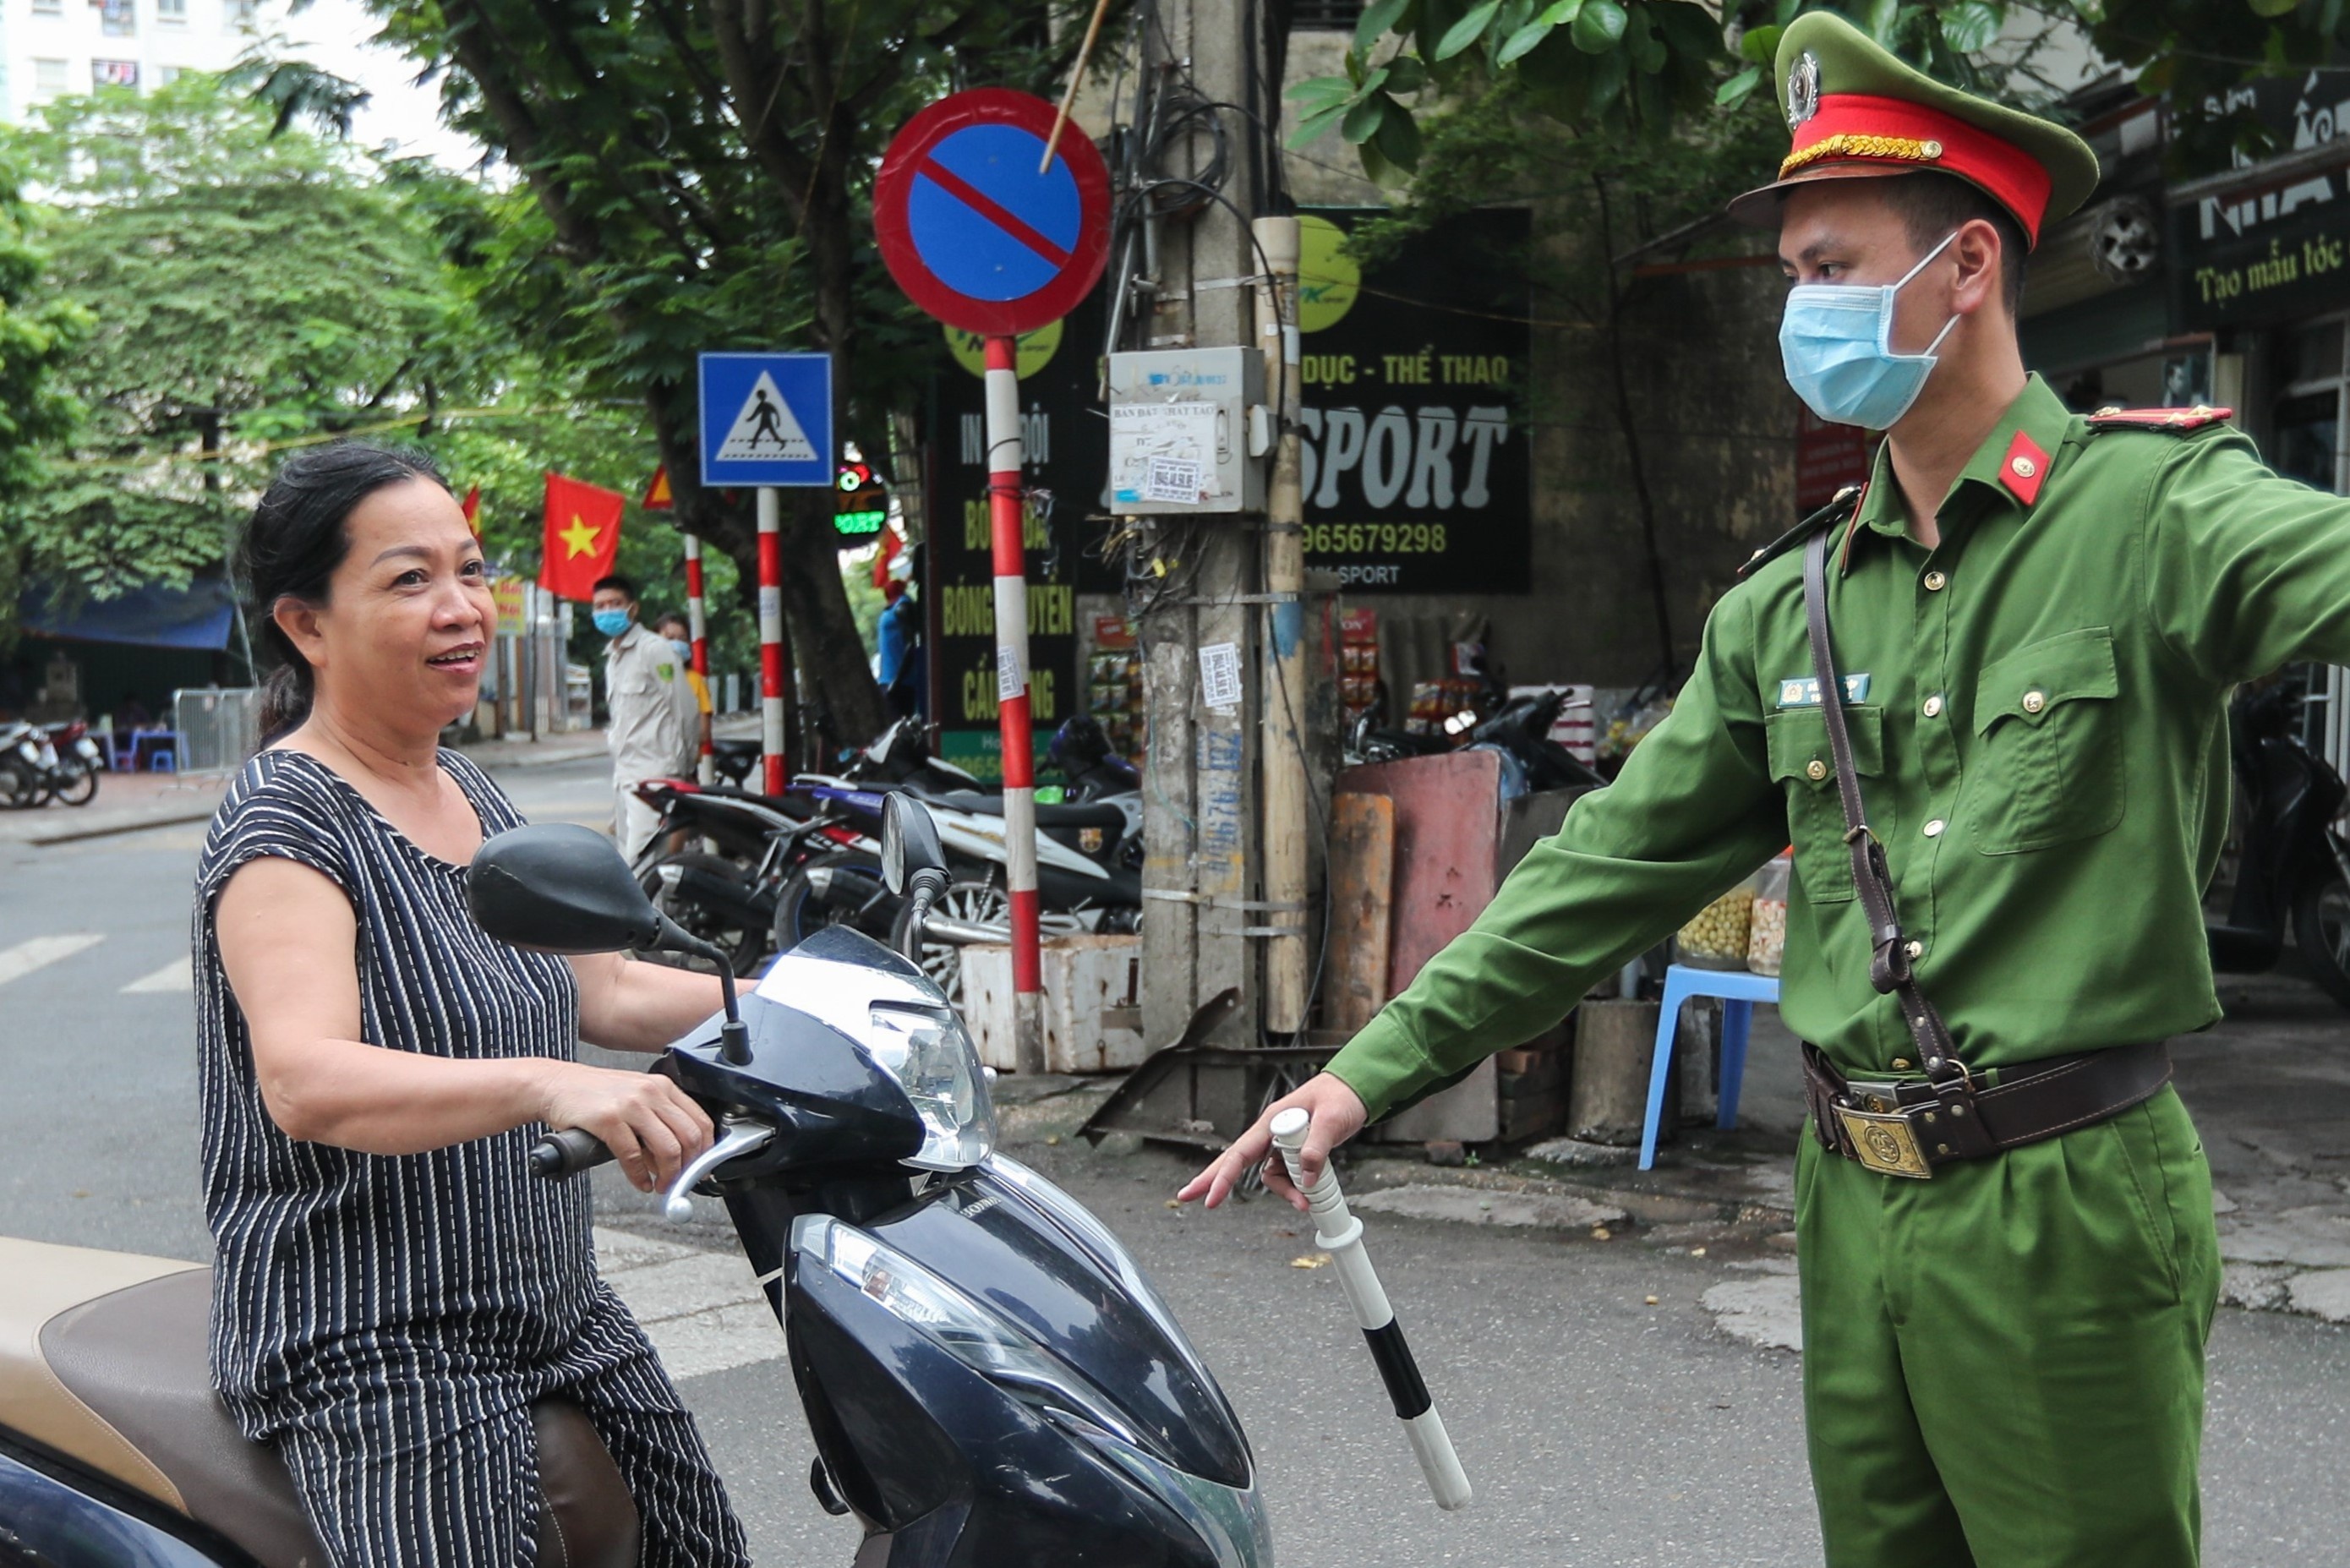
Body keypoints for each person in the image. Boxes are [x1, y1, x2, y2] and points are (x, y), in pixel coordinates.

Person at [1183, 13, 2347, 1565]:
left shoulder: (2155, 513)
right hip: (1851, 1203)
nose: (1798, 310)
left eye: (1830, 267)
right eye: (1792, 273)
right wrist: (1363, 1075)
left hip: (2064, 1204)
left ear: (1969, 268)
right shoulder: (1788, 608)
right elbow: (1599, 872)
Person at [199, 442, 748, 1565]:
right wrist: (553, 1084)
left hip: (552, 1306)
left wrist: (795, 1004)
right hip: (376, 1335)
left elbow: (604, 983)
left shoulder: (474, 789)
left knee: (700, 1543)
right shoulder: (286, 822)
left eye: (470, 568)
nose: (463, 608)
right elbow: (305, 1075)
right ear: (307, 623)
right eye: (410, 579)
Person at [591, 574, 689, 859]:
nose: (607, 612)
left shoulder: (654, 650)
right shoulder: (614, 657)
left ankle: (651, 905)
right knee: (629, 857)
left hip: (656, 773)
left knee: (641, 860)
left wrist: (680, 765)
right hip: (625, 775)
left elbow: (684, 709)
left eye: (615, 603)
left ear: (633, 609)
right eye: (600, 606)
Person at [653, 611, 710, 777]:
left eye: (682, 638)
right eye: (670, 638)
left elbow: (704, 731)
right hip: (650, 767)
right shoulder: (645, 677)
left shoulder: (695, 680)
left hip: (685, 768)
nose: (676, 644)